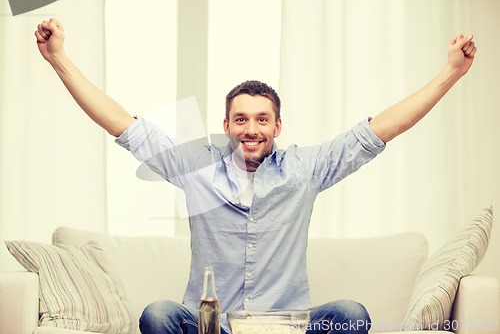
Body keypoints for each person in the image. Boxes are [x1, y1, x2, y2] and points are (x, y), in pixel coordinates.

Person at [35, 17, 477, 334]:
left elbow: (384, 127)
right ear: (226, 126)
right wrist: (58, 59)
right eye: (241, 119)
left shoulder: (305, 169)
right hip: (210, 326)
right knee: (158, 314)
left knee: (351, 312)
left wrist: (452, 73)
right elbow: (121, 123)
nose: (252, 129)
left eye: (262, 120)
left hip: (285, 327)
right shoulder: (198, 165)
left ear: (277, 127)